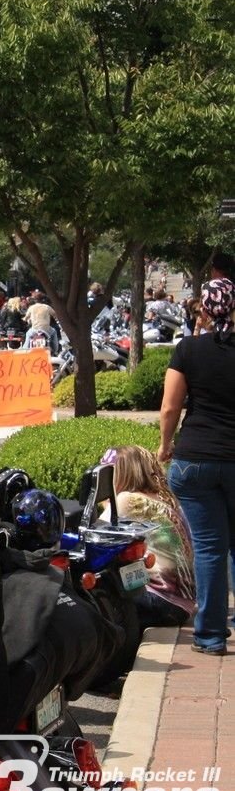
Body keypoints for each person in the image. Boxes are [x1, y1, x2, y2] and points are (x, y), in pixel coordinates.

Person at [159, 278, 235, 655]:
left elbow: (170, 407)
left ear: (202, 309)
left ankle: (210, 636)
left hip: (196, 459)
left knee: (209, 548)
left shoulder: (187, 349)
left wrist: (164, 444)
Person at [100, 445, 197, 625]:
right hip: (183, 603)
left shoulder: (128, 500)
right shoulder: (160, 498)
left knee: (97, 599)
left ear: (121, 473)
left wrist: (107, 504)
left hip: (161, 602)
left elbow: (97, 533)